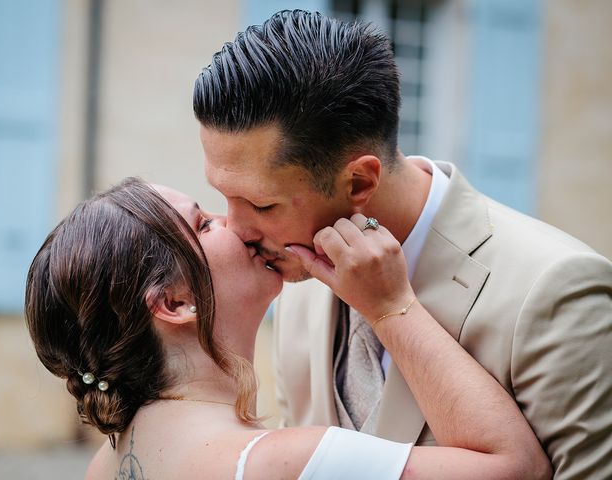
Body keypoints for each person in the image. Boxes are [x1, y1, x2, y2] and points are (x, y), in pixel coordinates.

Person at [193, 9, 612, 480]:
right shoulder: (298, 272)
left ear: (359, 182)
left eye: (261, 205)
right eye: (223, 197)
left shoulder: (558, 290)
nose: (236, 227)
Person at [25, 178, 551, 479]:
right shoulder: (286, 463)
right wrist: (391, 306)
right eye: (205, 223)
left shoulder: (107, 465)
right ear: (175, 302)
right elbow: (518, 470)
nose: (235, 224)